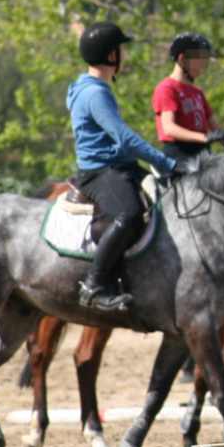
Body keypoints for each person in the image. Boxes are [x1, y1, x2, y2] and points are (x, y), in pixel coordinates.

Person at [68, 21, 180, 313]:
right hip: (101, 172)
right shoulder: (95, 94)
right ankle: (93, 285)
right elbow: (125, 139)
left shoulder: (93, 86)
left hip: (120, 165)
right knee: (129, 214)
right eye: (120, 50)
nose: (124, 55)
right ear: (109, 55)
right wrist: (165, 161)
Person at [153, 32, 224, 163]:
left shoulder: (198, 93)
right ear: (182, 59)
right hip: (179, 157)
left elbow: (215, 128)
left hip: (203, 154)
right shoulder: (166, 88)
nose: (203, 66)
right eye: (200, 60)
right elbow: (169, 128)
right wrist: (204, 137)